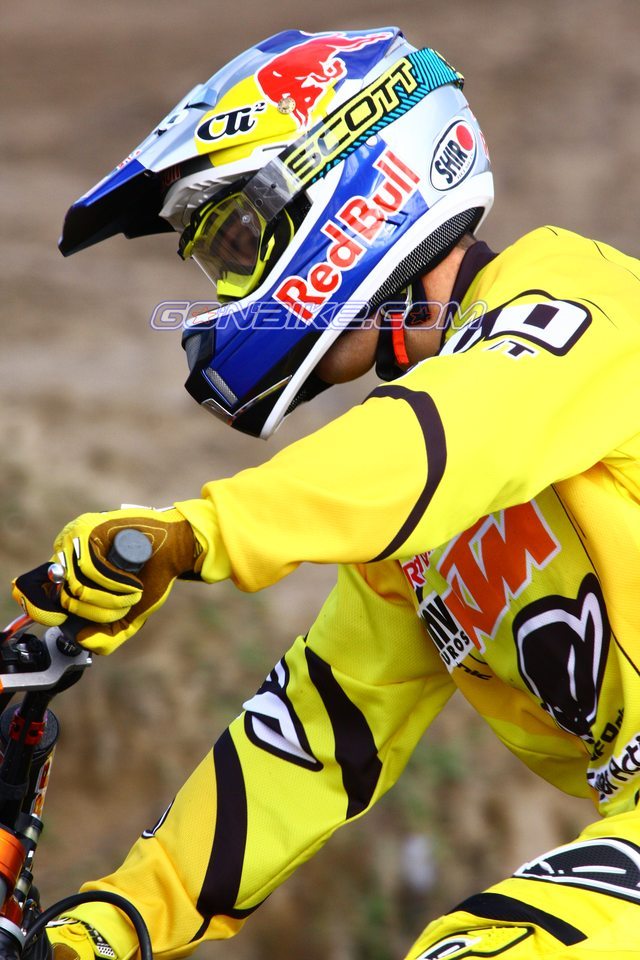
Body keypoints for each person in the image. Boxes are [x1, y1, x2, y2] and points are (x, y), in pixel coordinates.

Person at [11, 24, 640, 960]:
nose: (229, 291)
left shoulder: (579, 300)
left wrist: (197, 534)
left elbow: (444, 441)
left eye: (235, 243)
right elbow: (315, 733)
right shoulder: (413, 527)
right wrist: (116, 926)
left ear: (353, 189)